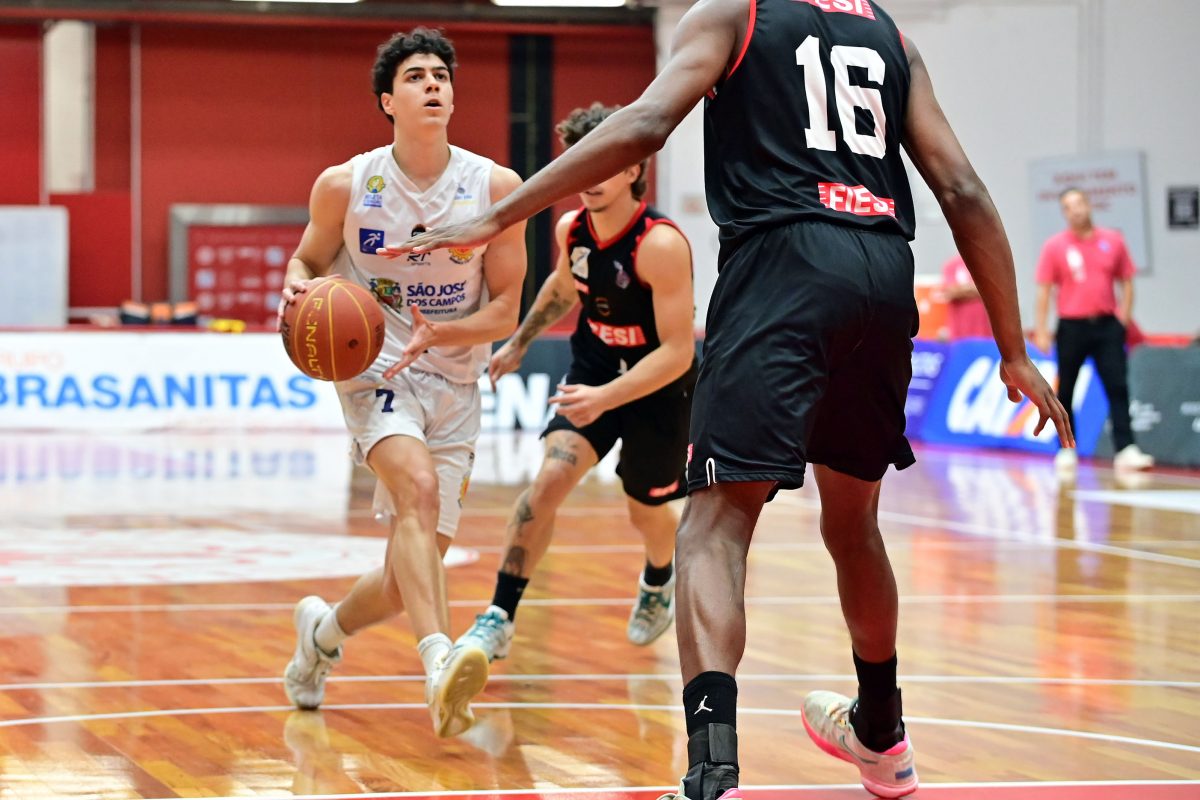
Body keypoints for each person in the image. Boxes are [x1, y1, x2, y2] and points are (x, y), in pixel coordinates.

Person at [395, 1, 1073, 797]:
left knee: (714, 526)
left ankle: (712, 775)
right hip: (885, 275)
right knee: (854, 523)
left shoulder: (736, 12)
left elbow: (647, 123)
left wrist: (497, 214)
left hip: (783, 266)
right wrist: (1013, 349)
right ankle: (883, 735)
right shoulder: (890, 33)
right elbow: (960, 186)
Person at [278, 28, 527, 739]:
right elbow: (306, 260)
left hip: (454, 376)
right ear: (387, 100)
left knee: (403, 579)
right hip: (376, 368)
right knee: (415, 489)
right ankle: (439, 660)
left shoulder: (495, 188)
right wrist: (296, 290)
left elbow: (505, 309)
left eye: (441, 75)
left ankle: (321, 636)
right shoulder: (346, 185)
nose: (432, 84)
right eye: (415, 76)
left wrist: (442, 334)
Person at [455, 103, 697, 663]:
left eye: (605, 164)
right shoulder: (574, 230)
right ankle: (499, 616)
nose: (590, 177)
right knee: (547, 485)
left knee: (645, 510)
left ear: (634, 169)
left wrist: (605, 399)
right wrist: (519, 342)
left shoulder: (660, 245)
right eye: (583, 163)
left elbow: (678, 352)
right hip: (594, 370)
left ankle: (659, 577)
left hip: (659, 389)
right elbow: (564, 287)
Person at [1033, 188, 1154, 474]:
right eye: (1068, 206)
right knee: (1066, 388)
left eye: (1079, 203)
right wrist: (1042, 329)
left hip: (1107, 326)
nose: (1075, 210)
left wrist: (1123, 318)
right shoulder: (1055, 246)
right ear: (1064, 213)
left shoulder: (1113, 240)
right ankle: (1066, 449)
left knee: (1117, 386)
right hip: (1071, 326)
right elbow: (1044, 290)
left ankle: (1125, 449)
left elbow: (1126, 281)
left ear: (1088, 205)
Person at [940, 252, 992, 339]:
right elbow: (950, 292)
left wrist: (962, 291)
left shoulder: (986, 263)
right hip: (959, 332)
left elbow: (989, 289)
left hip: (984, 332)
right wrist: (976, 289)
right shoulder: (951, 265)